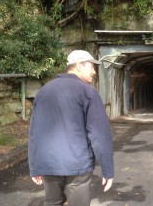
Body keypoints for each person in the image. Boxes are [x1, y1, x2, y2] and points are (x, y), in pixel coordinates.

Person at [28, 50, 114, 206]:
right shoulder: (88, 92)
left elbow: (35, 131)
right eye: (92, 67)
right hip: (77, 167)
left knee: (52, 203)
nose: (94, 72)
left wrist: (34, 166)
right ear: (80, 66)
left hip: (49, 165)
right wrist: (107, 170)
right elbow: (99, 135)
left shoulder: (43, 91)